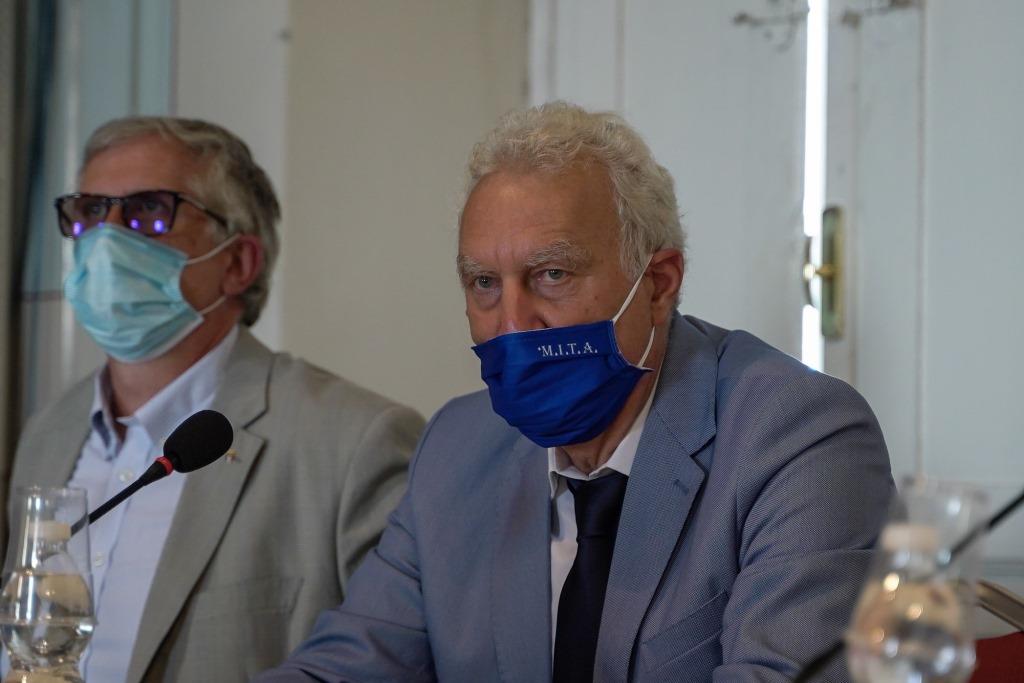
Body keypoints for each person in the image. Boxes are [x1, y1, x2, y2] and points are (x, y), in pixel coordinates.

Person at [256, 102, 894, 682]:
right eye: (484, 283)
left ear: (658, 284)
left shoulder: (798, 435)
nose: (512, 323)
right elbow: (346, 665)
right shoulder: (457, 446)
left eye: (552, 274)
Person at [7, 117, 424, 683]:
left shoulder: (354, 442)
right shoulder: (47, 434)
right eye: (90, 211)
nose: (106, 239)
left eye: (147, 211)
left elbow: (394, 664)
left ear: (237, 263)